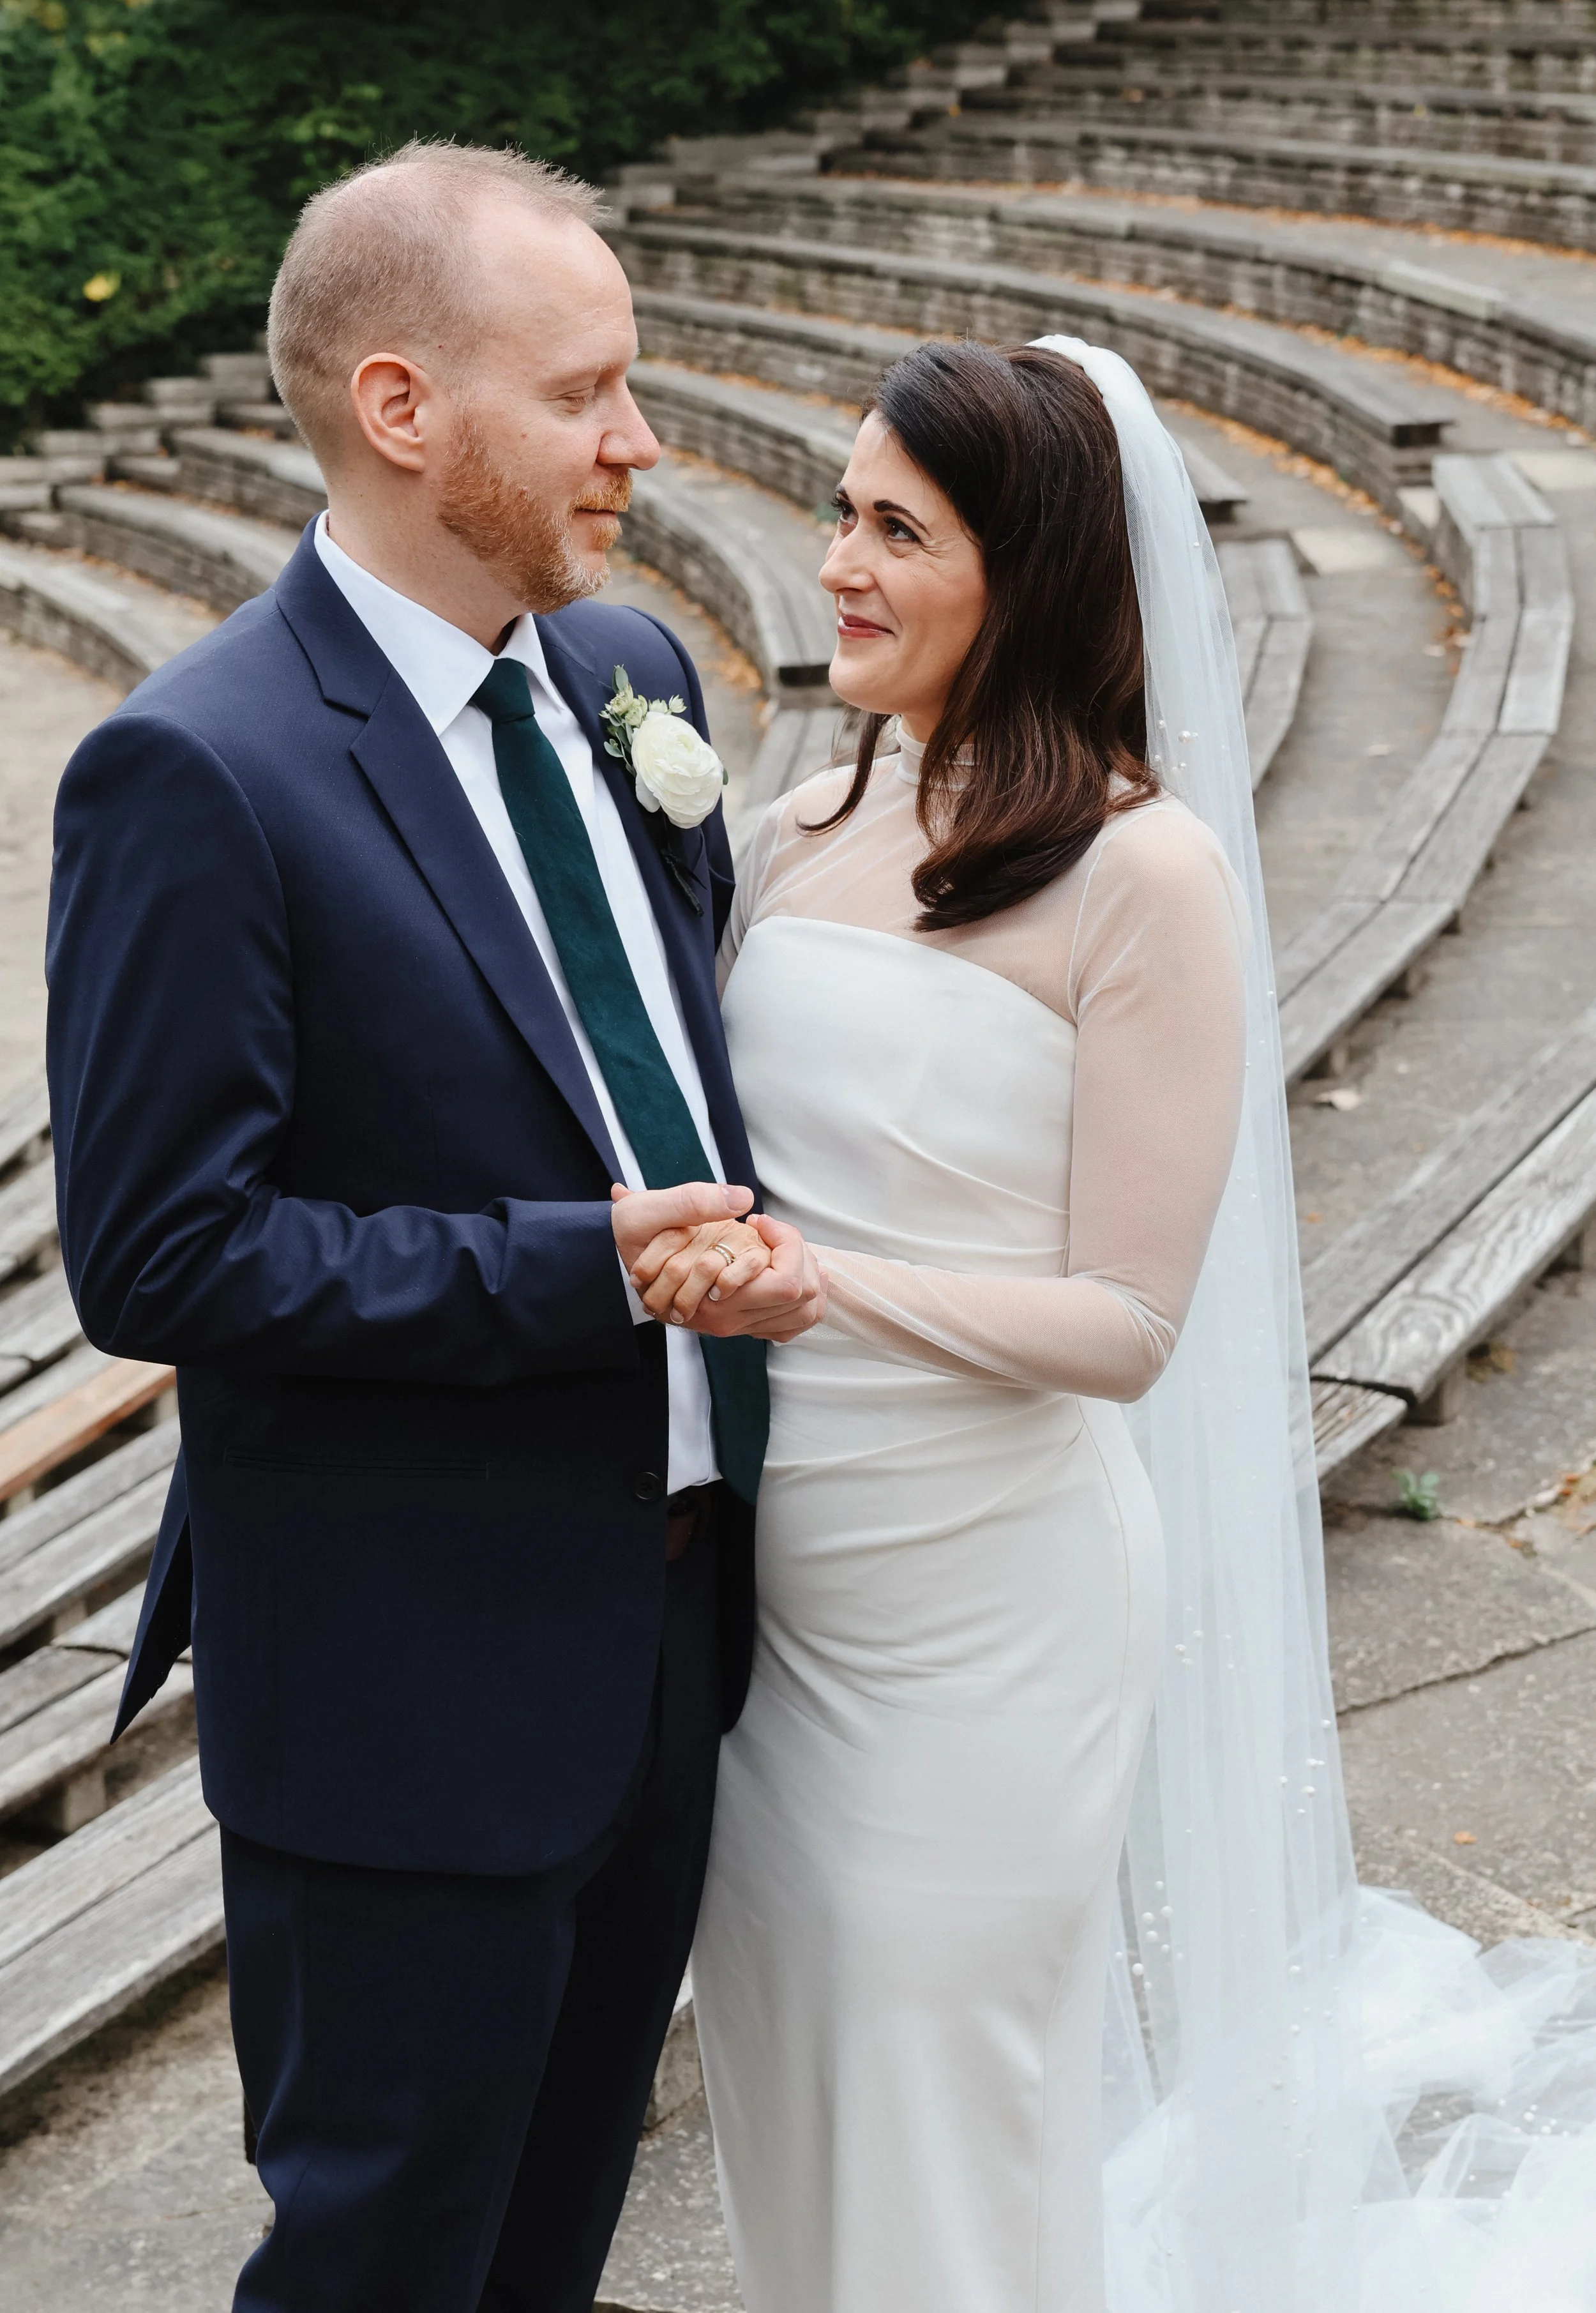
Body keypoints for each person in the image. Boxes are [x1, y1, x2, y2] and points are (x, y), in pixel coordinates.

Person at [644, 338, 1596, 2313]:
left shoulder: (1139, 872)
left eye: (897, 527)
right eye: (838, 510)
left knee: (952, 2124)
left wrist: (822, 1281)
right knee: (793, 2100)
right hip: (767, 1602)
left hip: (982, 1612)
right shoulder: (791, 820)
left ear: (1037, 572)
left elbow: (1125, 1323)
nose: (835, 561)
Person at [45, 139, 823, 2312]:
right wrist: (581, 1263)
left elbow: (651, 1051)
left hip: (668, 1628)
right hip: (406, 1683)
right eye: (585, 392)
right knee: (389, 2260)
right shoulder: (194, 770)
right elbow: (165, 1255)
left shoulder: (620, 672)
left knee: (556, 2239)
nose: (639, 443)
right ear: (405, 410)